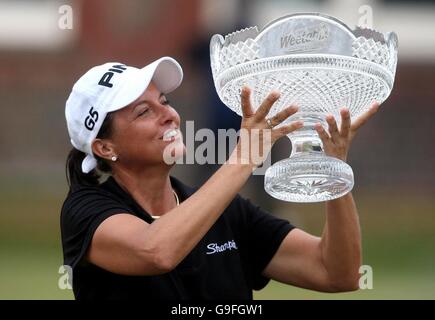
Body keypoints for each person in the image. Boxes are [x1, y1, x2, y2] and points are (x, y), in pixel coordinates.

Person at [61, 56, 379, 300]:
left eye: (164, 102)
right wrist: (244, 158)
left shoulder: (225, 212)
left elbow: (338, 273)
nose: (169, 115)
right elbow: (156, 250)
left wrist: (334, 169)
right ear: (105, 147)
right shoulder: (87, 211)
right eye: (144, 112)